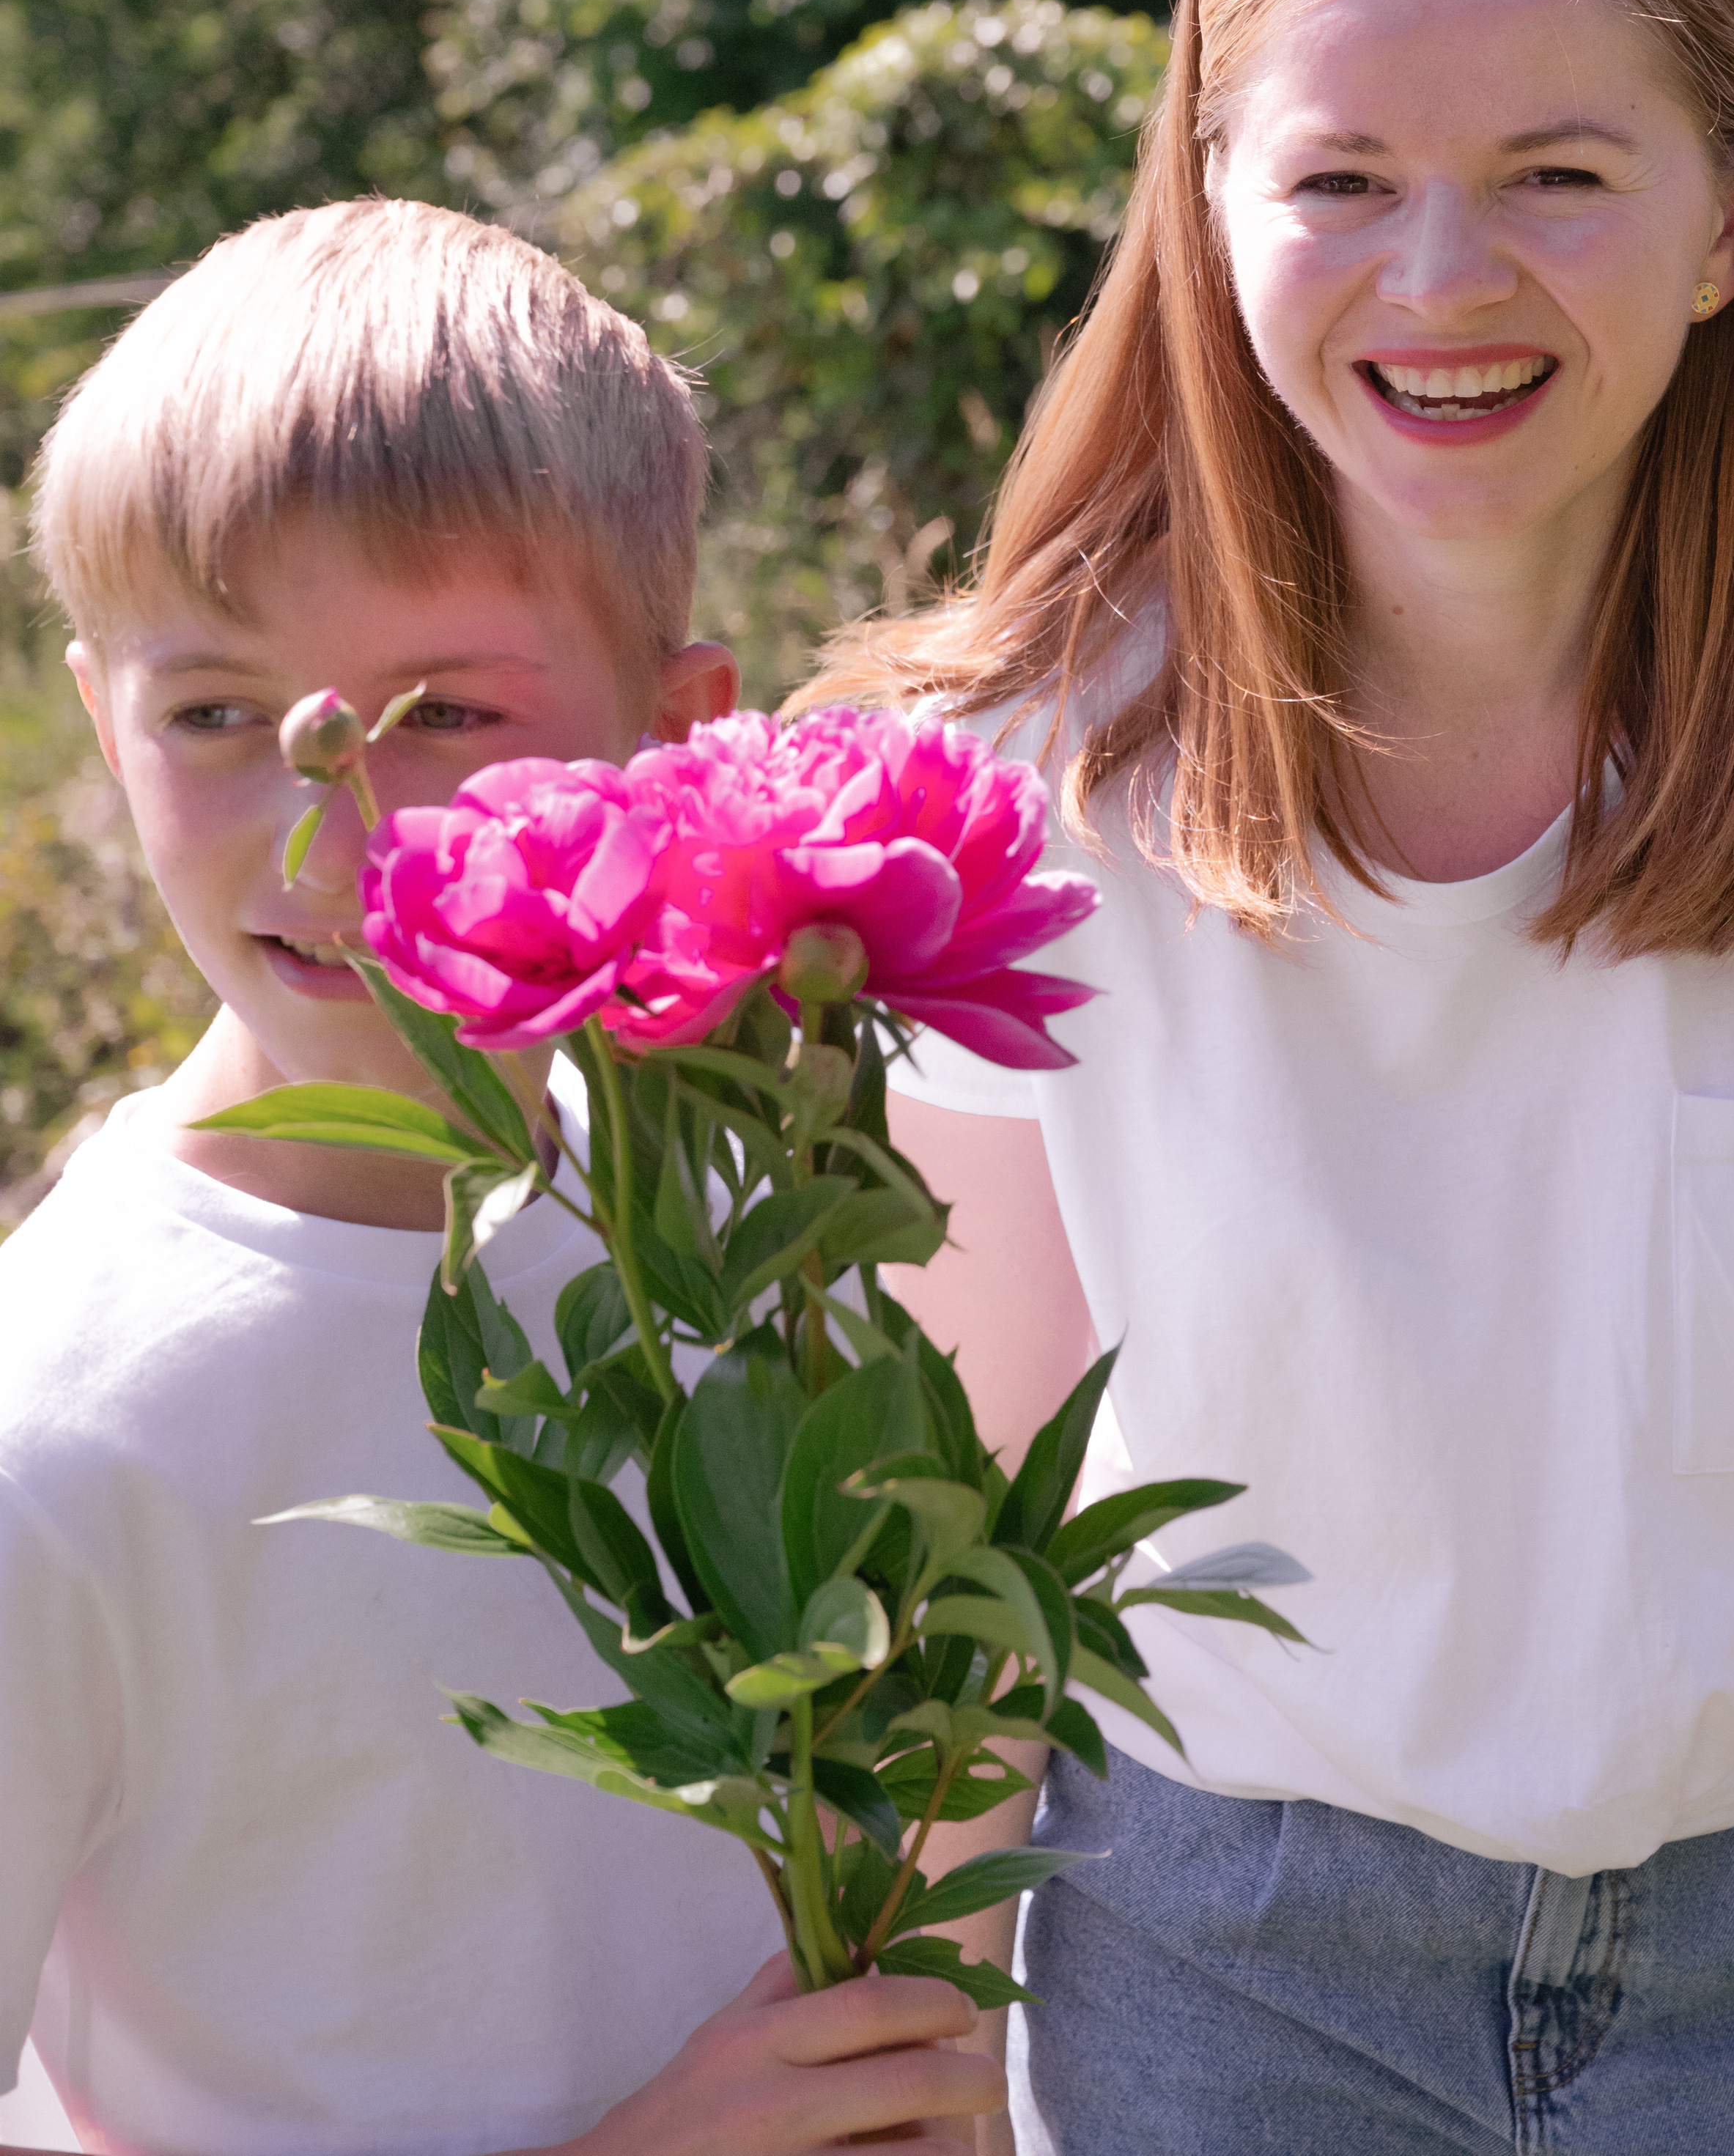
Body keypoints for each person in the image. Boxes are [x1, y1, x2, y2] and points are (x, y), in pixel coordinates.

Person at [808, 0, 1734, 2152]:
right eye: (1346, 177)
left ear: (1731, 211)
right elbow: (967, 1489)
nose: (1443, 276)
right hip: (1230, 1978)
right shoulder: (1022, 790)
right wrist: (915, 2045)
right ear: (1208, 202)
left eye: (1557, 173)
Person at [0, 198, 1004, 2155]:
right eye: (220, 715)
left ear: (683, 725)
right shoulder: (65, 1431)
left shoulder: (759, 1237)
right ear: (98, 720)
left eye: (445, 713)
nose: (336, 824)